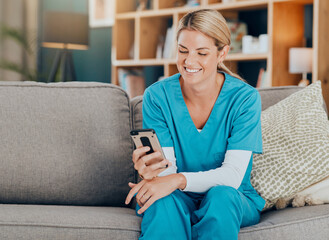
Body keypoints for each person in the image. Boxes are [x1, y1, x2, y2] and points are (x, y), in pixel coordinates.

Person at [125, 9, 265, 240]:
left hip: (231, 197)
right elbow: (166, 172)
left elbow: (231, 176)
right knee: (162, 202)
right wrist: (152, 174)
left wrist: (178, 180)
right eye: (183, 50)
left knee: (221, 197)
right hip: (178, 196)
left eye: (202, 53)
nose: (189, 61)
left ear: (222, 53)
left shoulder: (245, 99)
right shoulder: (157, 97)